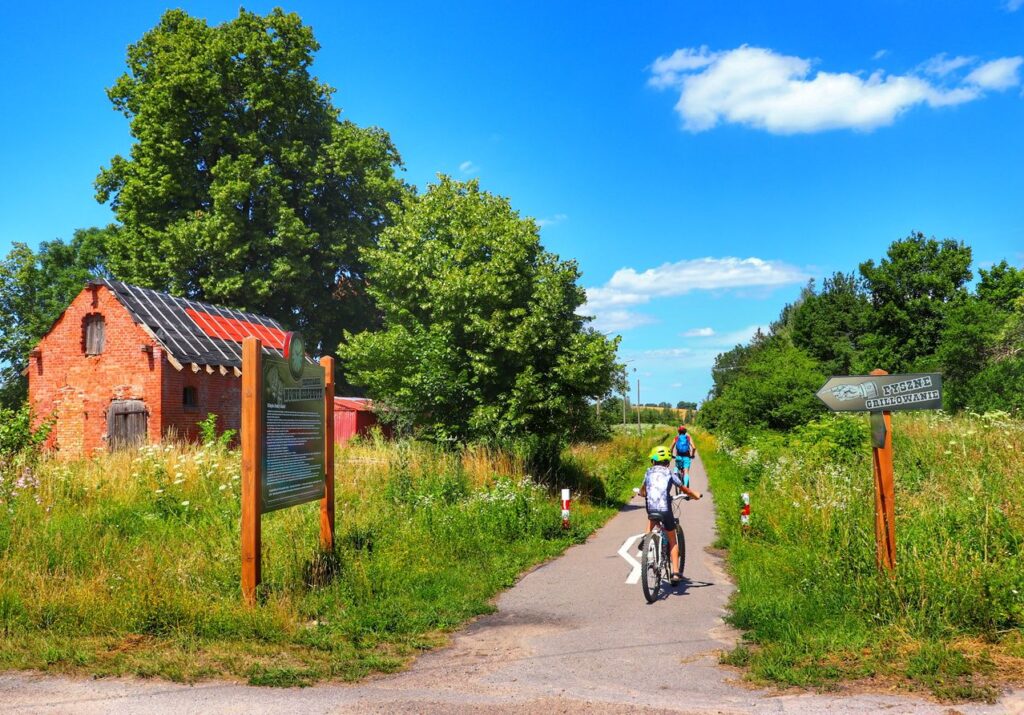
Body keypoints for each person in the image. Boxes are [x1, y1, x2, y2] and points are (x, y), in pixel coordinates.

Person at [637, 445, 702, 585]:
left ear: (652, 461)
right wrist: (695, 495)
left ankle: (646, 537)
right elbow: (683, 488)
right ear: (667, 461)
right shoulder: (669, 473)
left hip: (651, 508)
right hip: (665, 509)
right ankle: (676, 573)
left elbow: (643, 491)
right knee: (672, 540)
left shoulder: (648, 472)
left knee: (653, 517)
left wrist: (642, 493)